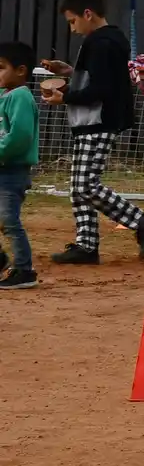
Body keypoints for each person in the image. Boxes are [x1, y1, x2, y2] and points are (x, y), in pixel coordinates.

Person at [38, 0, 144, 265]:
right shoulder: (104, 42)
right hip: (91, 121)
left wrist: (65, 96)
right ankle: (86, 245)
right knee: (77, 186)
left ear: (87, 14)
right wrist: (69, 72)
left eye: (73, 21)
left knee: (85, 184)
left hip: (98, 121)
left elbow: (101, 88)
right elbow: (99, 78)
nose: (72, 29)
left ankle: (142, 222)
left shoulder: (102, 43)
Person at [0, 42, 39, 289]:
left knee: (9, 220)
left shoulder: (21, 97)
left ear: (21, 70)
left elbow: (20, 136)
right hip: (4, 168)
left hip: (12, 171)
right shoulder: (6, 95)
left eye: (1, 68)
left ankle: (24, 269)